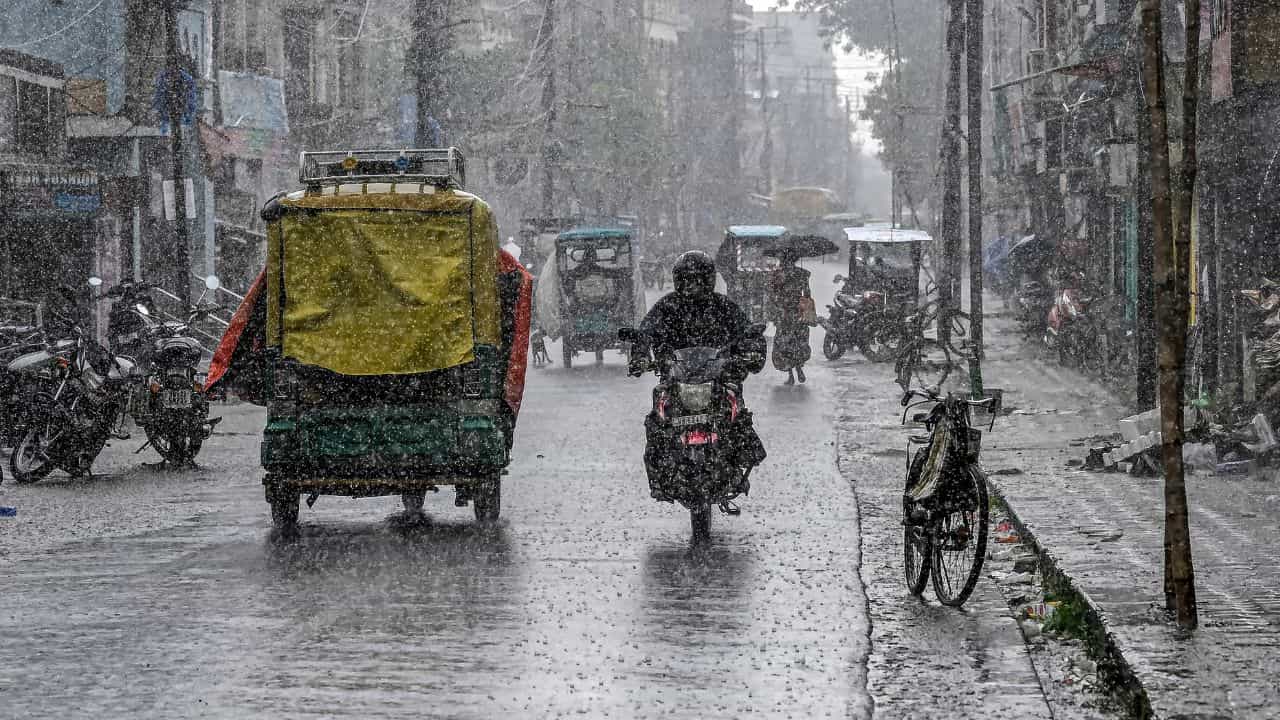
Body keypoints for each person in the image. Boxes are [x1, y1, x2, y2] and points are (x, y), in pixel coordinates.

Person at [629, 250, 767, 497]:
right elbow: (645, 331)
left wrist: (752, 352)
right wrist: (640, 357)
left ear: (709, 280)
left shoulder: (723, 306)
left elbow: (748, 331)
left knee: (738, 414)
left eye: (699, 280)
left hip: (718, 377)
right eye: (687, 280)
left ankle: (740, 462)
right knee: (657, 420)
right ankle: (659, 477)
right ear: (678, 280)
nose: (693, 286)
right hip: (676, 378)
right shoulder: (667, 306)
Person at [768, 249, 813, 384]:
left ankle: (791, 375)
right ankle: (799, 369)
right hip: (799, 313)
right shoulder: (802, 274)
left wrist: (778, 305)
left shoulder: (778, 274)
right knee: (798, 343)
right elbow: (808, 293)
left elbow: (772, 294)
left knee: (785, 345)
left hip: (785, 314)